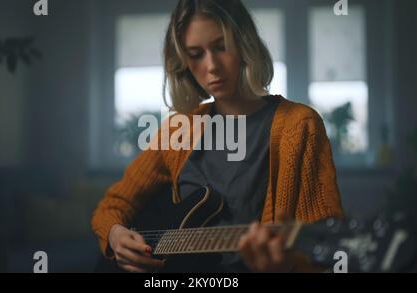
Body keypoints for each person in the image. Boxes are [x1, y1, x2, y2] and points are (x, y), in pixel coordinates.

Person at [91, 0, 343, 273]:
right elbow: (114, 204)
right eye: (196, 54)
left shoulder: (300, 125)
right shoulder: (179, 129)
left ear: (245, 45)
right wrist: (115, 235)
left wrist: (284, 265)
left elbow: (322, 255)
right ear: (183, 62)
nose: (211, 66)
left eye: (221, 47)